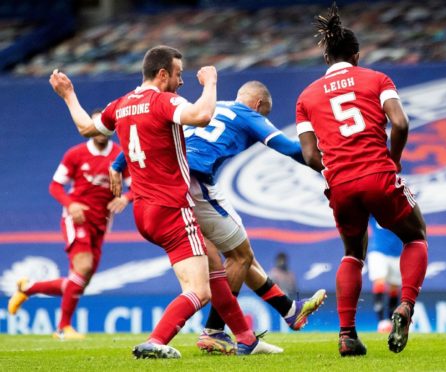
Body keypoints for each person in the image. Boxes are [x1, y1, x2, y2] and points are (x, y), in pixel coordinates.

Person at [48, 45, 280, 358]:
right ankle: (157, 341)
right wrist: (210, 82)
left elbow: (85, 127)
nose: (181, 81)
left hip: (143, 212)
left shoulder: (121, 104)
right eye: (178, 74)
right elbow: (201, 115)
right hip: (172, 207)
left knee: (213, 266)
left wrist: (68, 96)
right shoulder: (163, 101)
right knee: (199, 290)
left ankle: (245, 338)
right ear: (162, 75)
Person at [109, 80, 326, 353]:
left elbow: (148, 135)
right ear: (258, 105)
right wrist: (331, 163)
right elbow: (292, 149)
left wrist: (117, 165)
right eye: (264, 113)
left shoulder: (211, 107)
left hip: (170, 181)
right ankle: (214, 330)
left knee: (235, 257)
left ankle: (285, 312)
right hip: (196, 184)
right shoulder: (248, 114)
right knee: (240, 256)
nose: (262, 118)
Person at [296, 3, 428, 356]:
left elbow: (310, 156)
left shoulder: (306, 96)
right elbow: (400, 123)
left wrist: (335, 170)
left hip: (339, 184)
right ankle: (405, 307)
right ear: (356, 54)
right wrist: (392, 162)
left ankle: (347, 335)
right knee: (415, 236)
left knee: (353, 254)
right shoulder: (376, 79)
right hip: (378, 174)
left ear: (326, 59)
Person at [7, 109, 132, 340]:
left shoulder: (119, 156)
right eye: (96, 123)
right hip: (76, 218)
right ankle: (62, 328)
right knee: (82, 268)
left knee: (79, 283)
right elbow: (55, 186)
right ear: (91, 128)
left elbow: (136, 184)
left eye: (105, 124)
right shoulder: (75, 154)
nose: (101, 129)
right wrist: (71, 204)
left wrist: (125, 198)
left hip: (100, 223)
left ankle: (28, 288)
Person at [367, 216, 402, 334]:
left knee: (394, 287)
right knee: (379, 282)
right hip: (378, 251)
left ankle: (390, 321)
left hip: (398, 253)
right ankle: (381, 321)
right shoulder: (374, 208)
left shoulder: (402, 206)